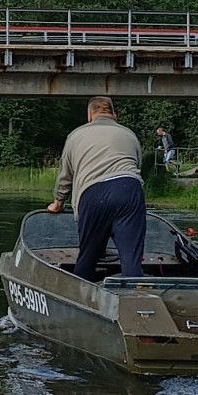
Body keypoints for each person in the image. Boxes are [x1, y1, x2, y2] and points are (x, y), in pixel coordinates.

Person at [46, 97, 146, 280]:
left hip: (93, 193)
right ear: (114, 115)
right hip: (129, 189)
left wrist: (58, 202)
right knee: (132, 263)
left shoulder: (75, 135)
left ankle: (81, 295)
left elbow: (65, 175)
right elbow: (138, 166)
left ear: (90, 116)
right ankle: (136, 298)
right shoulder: (129, 134)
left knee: (88, 258)